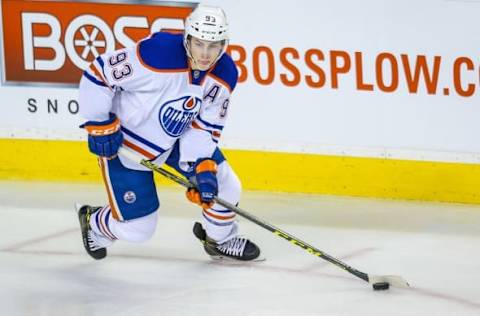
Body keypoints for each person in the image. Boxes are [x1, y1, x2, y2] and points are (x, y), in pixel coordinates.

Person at [76, 5, 260, 261]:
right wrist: (98, 124)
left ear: (224, 44)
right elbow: (99, 73)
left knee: (226, 185)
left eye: (214, 46)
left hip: (176, 140)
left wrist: (201, 165)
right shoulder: (157, 54)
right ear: (188, 39)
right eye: (199, 44)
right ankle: (95, 224)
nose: (206, 54)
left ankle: (219, 240)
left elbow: (205, 125)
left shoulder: (225, 74)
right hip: (128, 145)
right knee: (139, 230)